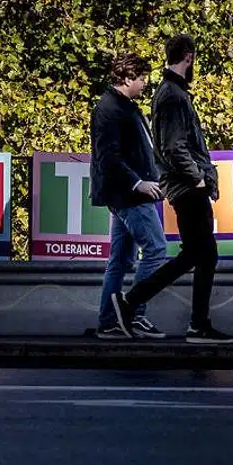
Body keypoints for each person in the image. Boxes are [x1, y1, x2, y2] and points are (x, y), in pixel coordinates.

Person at [111, 34, 233, 344]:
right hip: (187, 188)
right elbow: (174, 146)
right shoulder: (172, 95)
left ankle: (182, 319)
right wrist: (198, 178)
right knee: (202, 255)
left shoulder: (171, 93)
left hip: (185, 186)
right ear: (189, 57)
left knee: (199, 255)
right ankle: (144, 306)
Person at [89, 52, 168, 339]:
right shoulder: (109, 109)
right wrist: (138, 184)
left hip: (127, 193)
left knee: (120, 260)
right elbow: (108, 158)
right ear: (126, 78)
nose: (145, 82)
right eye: (141, 78)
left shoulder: (123, 105)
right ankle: (133, 314)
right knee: (156, 249)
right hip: (129, 195)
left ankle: (109, 322)